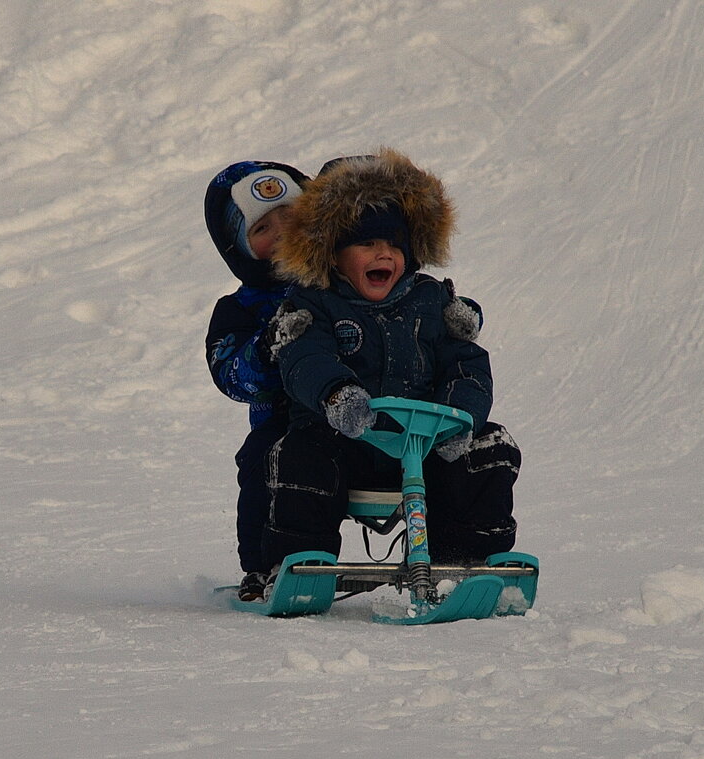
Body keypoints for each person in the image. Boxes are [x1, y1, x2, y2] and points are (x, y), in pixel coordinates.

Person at [262, 148, 520, 584]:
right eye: (367, 243)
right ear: (332, 251)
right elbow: (303, 357)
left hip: (424, 446)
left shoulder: (432, 303)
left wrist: (460, 419)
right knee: (299, 455)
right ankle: (300, 563)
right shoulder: (314, 303)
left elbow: (467, 365)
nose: (384, 254)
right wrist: (337, 394)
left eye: (395, 244)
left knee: (490, 446)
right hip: (347, 440)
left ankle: (467, 560)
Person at [203, 160, 311, 601]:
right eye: (264, 228)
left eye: (292, 216)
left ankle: (456, 553)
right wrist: (266, 347)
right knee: (261, 459)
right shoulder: (239, 309)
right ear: (239, 248)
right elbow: (231, 375)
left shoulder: (342, 277)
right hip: (285, 421)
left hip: (361, 412)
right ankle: (267, 565)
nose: (283, 232)